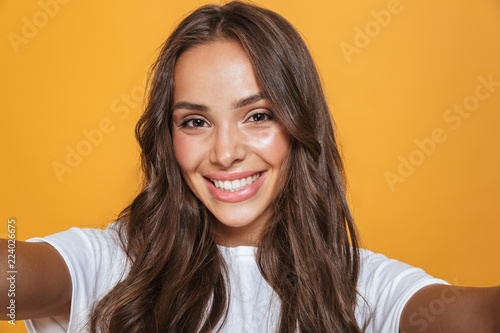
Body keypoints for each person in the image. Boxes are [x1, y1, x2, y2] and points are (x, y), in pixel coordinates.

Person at [1, 1, 499, 332]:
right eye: (195, 121)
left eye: (257, 116)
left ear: (298, 123)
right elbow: (12, 278)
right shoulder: (114, 265)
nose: (224, 152)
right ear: (168, 136)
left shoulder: (360, 288)